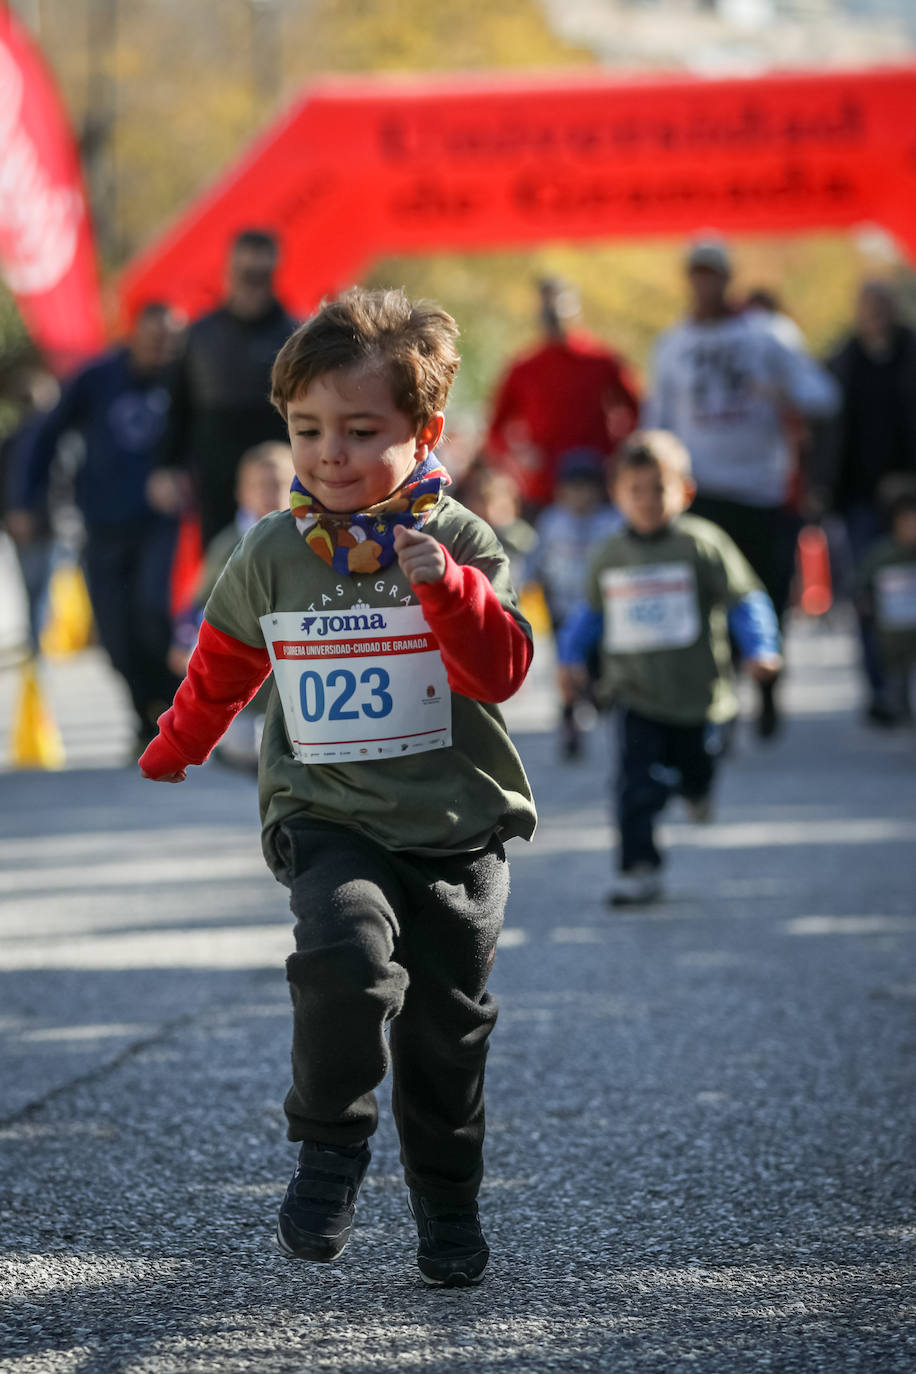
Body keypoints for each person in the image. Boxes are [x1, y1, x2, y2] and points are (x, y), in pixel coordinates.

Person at [138, 287, 537, 1288]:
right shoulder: (271, 551)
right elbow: (223, 663)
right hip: (328, 814)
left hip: (455, 825)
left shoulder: (458, 539)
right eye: (308, 429)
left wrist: (446, 587)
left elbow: (501, 672)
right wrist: (177, 743)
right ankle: (330, 1149)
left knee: (448, 1034)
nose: (329, 454)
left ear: (424, 431)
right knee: (345, 959)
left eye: (362, 431)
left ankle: (448, 1201)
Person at [557, 430, 781, 906]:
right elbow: (589, 614)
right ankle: (639, 867)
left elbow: (746, 599)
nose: (647, 501)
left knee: (696, 768)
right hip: (636, 694)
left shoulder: (703, 544)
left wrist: (762, 647)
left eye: (659, 489)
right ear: (616, 494)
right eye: (634, 491)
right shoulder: (609, 554)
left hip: (701, 695)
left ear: (685, 491)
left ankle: (698, 787)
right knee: (634, 786)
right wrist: (569, 658)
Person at [644, 238, 838, 738]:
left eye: (713, 274)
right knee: (708, 598)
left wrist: (786, 394)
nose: (705, 284)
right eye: (697, 274)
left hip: (764, 491)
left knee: (767, 592)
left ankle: (769, 687)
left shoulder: (767, 334)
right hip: (700, 492)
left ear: (729, 278)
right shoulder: (673, 344)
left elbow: (824, 396)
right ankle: (720, 697)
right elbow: (657, 421)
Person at [7, 304, 184, 749]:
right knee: (113, 634)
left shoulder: (184, 377)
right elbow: (45, 435)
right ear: (133, 335)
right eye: (153, 339)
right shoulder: (97, 378)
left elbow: (211, 434)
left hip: (160, 525)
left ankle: (169, 709)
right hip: (102, 525)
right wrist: (24, 499)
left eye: (169, 341)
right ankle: (141, 711)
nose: (161, 350)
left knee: (151, 614)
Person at [154, 228, 297, 547]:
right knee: (221, 563)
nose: (252, 284)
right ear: (229, 272)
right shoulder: (198, 335)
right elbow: (177, 406)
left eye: (260, 275)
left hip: (280, 475)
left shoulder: (297, 336)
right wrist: (167, 466)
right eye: (245, 274)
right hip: (216, 473)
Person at [822, 280, 916, 723]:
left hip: (911, 497)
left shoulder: (911, 353)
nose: (876, 313)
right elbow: (824, 431)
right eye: (868, 306)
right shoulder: (841, 361)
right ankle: (881, 689)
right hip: (860, 498)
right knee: (867, 593)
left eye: (883, 304)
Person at [169, 441, 295, 770]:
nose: (272, 494)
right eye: (262, 486)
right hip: (248, 687)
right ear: (243, 493)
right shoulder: (230, 545)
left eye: (282, 485)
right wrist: (184, 642)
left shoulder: (312, 540)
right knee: (246, 748)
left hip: (298, 679)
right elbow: (199, 602)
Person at [485, 276, 640, 514]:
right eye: (546, 305)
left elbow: (637, 408)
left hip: (595, 487)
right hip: (543, 490)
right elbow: (496, 429)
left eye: (560, 304)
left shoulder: (601, 361)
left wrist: (618, 454)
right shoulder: (523, 368)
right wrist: (519, 457)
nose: (553, 313)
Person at [525, 449, 622, 758]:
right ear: (561, 492)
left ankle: (597, 700)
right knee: (567, 665)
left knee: (596, 665)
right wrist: (528, 583)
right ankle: (569, 719)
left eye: (587, 488)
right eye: (573, 489)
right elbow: (536, 557)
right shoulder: (553, 521)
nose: (580, 496)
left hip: (601, 610)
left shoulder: (611, 522)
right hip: (563, 609)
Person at [855, 474, 916, 726]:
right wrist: (867, 602)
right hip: (891, 636)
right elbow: (860, 583)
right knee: (895, 677)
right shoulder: (881, 555)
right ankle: (892, 706)